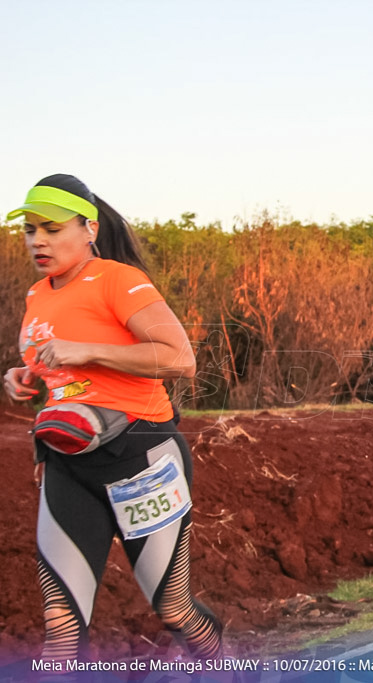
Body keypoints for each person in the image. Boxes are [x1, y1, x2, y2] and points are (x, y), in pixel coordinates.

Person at [3, 174, 222, 662]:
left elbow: (179, 358)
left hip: (141, 461)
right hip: (69, 467)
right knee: (60, 626)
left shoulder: (119, 280)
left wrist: (86, 352)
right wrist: (25, 378)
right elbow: (61, 376)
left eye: (53, 228)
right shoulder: (37, 295)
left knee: (174, 609)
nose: (38, 240)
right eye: (30, 229)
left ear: (89, 229)